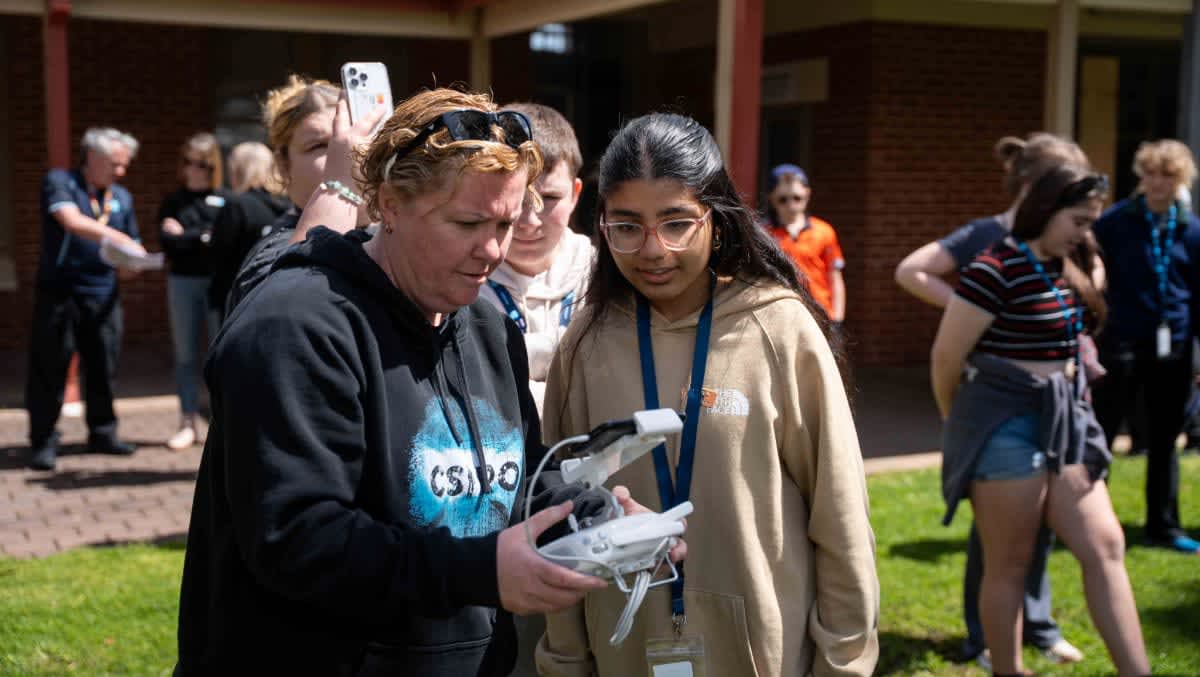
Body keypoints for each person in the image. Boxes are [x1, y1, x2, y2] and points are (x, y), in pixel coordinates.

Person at [175, 88, 628, 675]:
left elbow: (510, 483)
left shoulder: (486, 323)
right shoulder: (294, 326)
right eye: (466, 222)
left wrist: (594, 516)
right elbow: (298, 539)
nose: (492, 251)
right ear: (388, 203)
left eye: (506, 224)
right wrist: (481, 571)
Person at [537, 113, 879, 676]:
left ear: (717, 221)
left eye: (676, 223)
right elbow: (559, 518)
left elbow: (838, 515)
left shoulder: (777, 328)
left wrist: (843, 663)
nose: (653, 250)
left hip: (766, 656)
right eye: (627, 226)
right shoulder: (587, 343)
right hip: (624, 653)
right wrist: (568, 660)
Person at [933, 164, 1150, 677]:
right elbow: (946, 358)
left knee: (1106, 545)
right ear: (1046, 210)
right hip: (1003, 423)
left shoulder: (1067, 263)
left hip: (1064, 421)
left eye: (1091, 220)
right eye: (1078, 219)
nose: (1085, 231)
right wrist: (959, 424)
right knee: (1010, 560)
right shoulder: (994, 267)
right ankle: (1008, 670)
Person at [894, 133, 1089, 669]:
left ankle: (1040, 626)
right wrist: (974, 306)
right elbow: (911, 269)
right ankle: (985, 638)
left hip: (1054, 403)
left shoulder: (1068, 237)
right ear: (1032, 185)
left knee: (1042, 524)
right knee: (997, 534)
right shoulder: (987, 236)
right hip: (996, 402)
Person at [1091, 139, 1200, 554]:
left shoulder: (1191, 230)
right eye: (1150, 174)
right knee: (1100, 436)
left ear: (1181, 180)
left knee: (1164, 437)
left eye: (1167, 175)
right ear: (1140, 176)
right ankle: (1089, 520)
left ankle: (1164, 526)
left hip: (1174, 349)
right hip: (1119, 344)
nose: (1157, 183)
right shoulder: (1115, 223)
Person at [26, 127, 143, 471]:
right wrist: (118, 237)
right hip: (60, 293)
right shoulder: (61, 182)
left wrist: (132, 265)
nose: (121, 172)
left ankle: (103, 433)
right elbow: (71, 221)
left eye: (124, 166)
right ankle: (43, 440)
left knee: (104, 365)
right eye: (115, 164)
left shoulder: (122, 196)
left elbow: (126, 251)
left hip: (103, 293)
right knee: (51, 366)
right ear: (92, 157)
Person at [480, 102, 592, 414]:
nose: (529, 221)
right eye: (517, 199)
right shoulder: (464, 275)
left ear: (575, 194)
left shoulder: (604, 274)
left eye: (551, 198)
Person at [157, 132, 228, 451]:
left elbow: (221, 241)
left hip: (217, 283)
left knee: (220, 353)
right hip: (182, 282)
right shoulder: (172, 201)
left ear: (211, 165)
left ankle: (221, 422)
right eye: (187, 163)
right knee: (185, 354)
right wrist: (199, 237)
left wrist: (186, 235)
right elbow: (167, 244)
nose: (192, 170)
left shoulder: (225, 200)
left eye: (200, 163)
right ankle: (186, 421)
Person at [207, 141, 290, 321]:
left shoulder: (237, 205)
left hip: (239, 299)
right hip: (280, 295)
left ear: (238, 169)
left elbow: (219, 254)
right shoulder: (288, 204)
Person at [763, 164, 845, 325]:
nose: (790, 204)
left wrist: (838, 318)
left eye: (796, 198)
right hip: (780, 315)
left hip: (821, 315)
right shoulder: (762, 233)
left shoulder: (824, 231)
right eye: (783, 199)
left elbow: (834, 277)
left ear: (807, 194)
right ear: (771, 198)